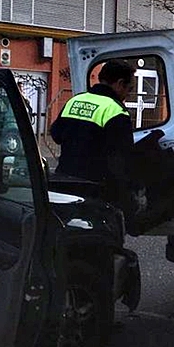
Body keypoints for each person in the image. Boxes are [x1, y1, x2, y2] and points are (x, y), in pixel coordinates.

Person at [51, 60, 139, 224]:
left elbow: (56, 134)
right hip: (97, 192)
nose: (129, 94)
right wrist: (129, 197)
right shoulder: (116, 110)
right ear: (120, 83)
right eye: (130, 88)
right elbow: (121, 161)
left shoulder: (75, 100)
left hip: (65, 183)